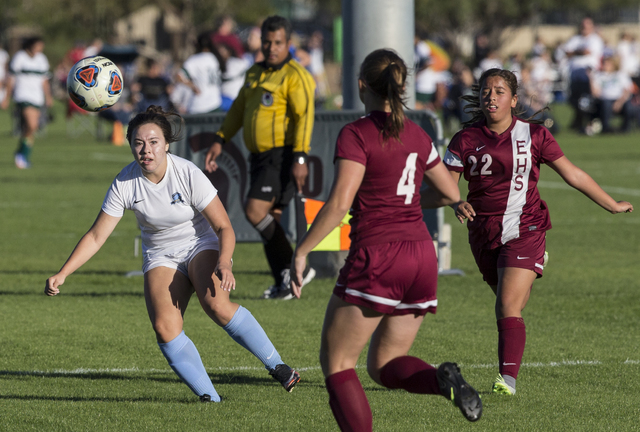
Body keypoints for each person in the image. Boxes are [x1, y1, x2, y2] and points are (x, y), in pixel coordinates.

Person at [44, 106, 301, 402]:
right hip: (160, 254)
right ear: (130, 146)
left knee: (217, 305)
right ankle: (210, 399)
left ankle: (279, 366)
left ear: (166, 144)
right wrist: (63, 273)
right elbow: (96, 235)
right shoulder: (124, 182)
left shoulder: (187, 173)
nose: (146, 150)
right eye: (138, 143)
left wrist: (224, 263)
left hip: (200, 244)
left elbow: (224, 227)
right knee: (165, 327)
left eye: (153, 142)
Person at [290, 49, 482, 431]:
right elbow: (448, 192)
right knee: (382, 366)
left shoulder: (356, 133)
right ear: (402, 86)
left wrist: (303, 249)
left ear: (362, 85)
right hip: (421, 256)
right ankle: (442, 381)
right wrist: (407, 199)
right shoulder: (417, 133)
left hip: (380, 253)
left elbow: (340, 202)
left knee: (337, 362)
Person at [445, 68, 633, 396]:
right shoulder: (465, 139)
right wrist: (455, 201)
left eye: (500, 91)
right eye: (486, 92)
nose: (491, 97)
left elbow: (572, 174)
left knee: (507, 305)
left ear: (514, 99)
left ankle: (507, 380)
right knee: (512, 302)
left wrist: (611, 204)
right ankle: (533, 265)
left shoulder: (534, 135)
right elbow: (445, 184)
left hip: (526, 227)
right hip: (483, 232)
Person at [205, 15, 316, 300]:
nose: (271, 48)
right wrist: (220, 139)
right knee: (271, 221)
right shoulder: (255, 72)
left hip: (281, 155)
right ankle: (286, 283)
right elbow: (238, 111)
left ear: (288, 44)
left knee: (255, 211)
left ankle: (294, 265)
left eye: (277, 43)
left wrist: (301, 159)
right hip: (258, 157)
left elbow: (305, 118)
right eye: (267, 42)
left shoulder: (295, 75)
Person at [1, 36, 53, 169]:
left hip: (37, 97)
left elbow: (44, 80)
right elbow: (10, 79)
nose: (40, 49)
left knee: (31, 128)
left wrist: (48, 96)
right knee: (32, 124)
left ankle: (22, 155)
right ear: (31, 45)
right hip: (22, 95)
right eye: (38, 46)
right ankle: (21, 154)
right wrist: (6, 98)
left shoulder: (42, 59)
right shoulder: (20, 57)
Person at [562, 17, 604, 132]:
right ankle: (579, 119)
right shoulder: (575, 39)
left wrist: (575, 52)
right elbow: (566, 52)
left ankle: (586, 121)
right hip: (574, 72)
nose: (584, 28)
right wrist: (579, 52)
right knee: (573, 98)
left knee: (586, 99)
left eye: (587, 26)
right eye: (583, 26)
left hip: (587, 72)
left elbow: (587, 52)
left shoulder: (595, 39)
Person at [176, 33, 222, 114]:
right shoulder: (214, 58)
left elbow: (179, 76)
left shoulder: (194, 59)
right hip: (215, 103)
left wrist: (193, 87)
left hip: (199, 106)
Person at [589, 54, 635, 133]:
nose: (605, 66)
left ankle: (625, 128)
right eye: (604, 63)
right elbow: (595, 93)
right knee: (606, 104)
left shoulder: (620, 75)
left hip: (620, 100)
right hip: (604, 100)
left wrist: (619, 102)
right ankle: (606, 128)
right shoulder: (598, 76)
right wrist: (590, 78)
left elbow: (627, 91)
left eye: (608, 64)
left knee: (628, 106)